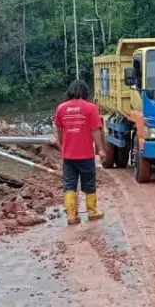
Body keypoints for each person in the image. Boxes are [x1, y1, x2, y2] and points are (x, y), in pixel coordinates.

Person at [53, 80, 105, 226]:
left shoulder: (61, 108)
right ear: (85, 91)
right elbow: (95, 130)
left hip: (68, 155)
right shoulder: (91, 108)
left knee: (69, 184)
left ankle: (71, 216)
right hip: (86, 155)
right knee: (89, 183)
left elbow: (59, 130)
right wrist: (100, 149)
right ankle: (92, 212)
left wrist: (63, 147)